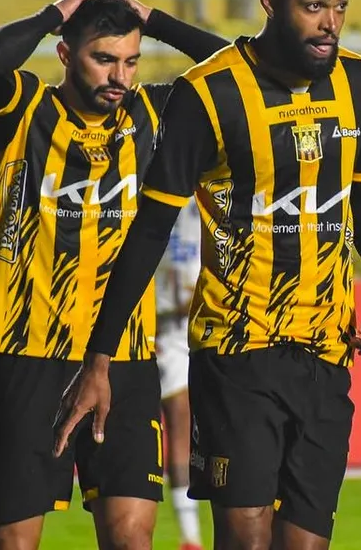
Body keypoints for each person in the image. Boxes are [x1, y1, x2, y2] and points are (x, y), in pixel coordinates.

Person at [54, 0, 361, 550]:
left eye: (341, 6)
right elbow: (151, 227)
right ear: (270, 0)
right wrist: (100, 356)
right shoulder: (207, 94)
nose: (330, 24)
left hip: (327, 352)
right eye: (314, 6)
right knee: (245, 540)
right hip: (236, 349)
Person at [0, 0, 226, 550]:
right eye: (103, 58)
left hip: (125, 356)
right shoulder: (24, 109)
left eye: (131, 61)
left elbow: (232, 72)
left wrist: (152, 19)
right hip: (29, 348)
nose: (120, 76)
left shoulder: (152, 112)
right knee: (12, 542)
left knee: (133, 538)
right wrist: (56, 12)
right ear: (65, 54)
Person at [154, 200, 205, 550]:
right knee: (180, 423)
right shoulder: (153, 198)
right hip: (167, 332)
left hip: (200, 326)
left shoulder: (203, 199)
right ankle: (190, 536)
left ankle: (193, 534)